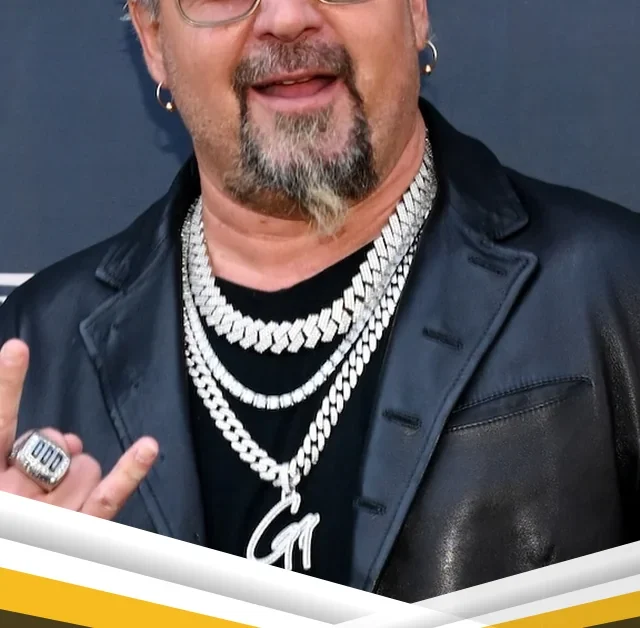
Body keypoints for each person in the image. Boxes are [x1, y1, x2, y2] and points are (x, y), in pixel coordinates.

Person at [1, 0, 640, 604]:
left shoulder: (610, 290)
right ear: (153, 38)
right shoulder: (35, 351)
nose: (286, 18)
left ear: (415, 9)